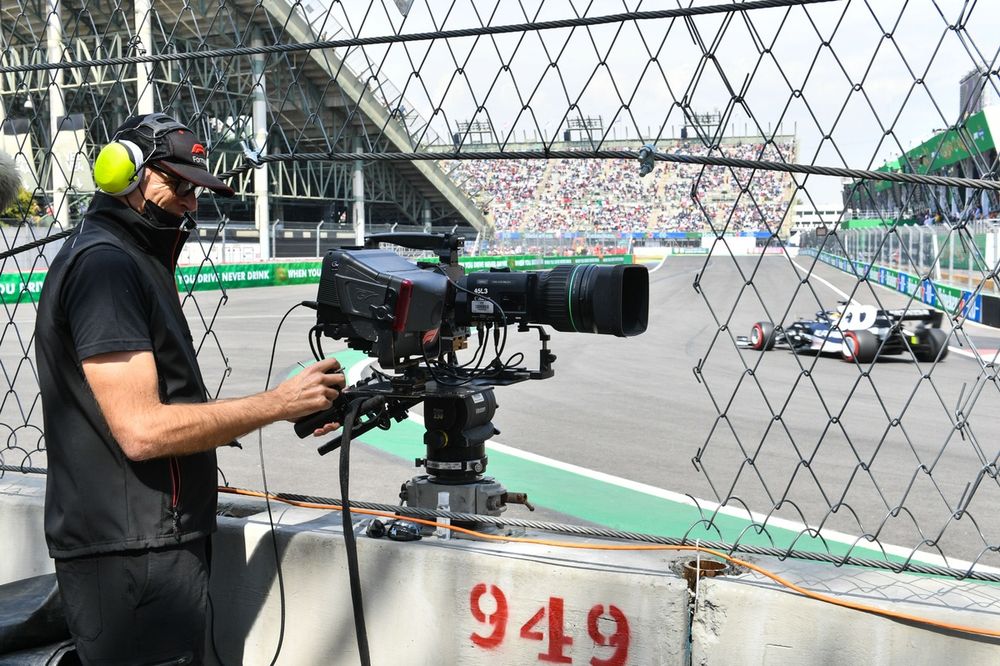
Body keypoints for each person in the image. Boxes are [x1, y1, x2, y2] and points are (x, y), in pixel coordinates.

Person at [35, 113, 345, 664]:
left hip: (149, 546)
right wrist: (275, 404)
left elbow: (164, 411)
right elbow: (142, 430)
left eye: (195, 188)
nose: (190, 201)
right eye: (176, 184)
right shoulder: (106, 266)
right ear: (123, 175)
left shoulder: (130, 257)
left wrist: (285, 408)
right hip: (133, 557)